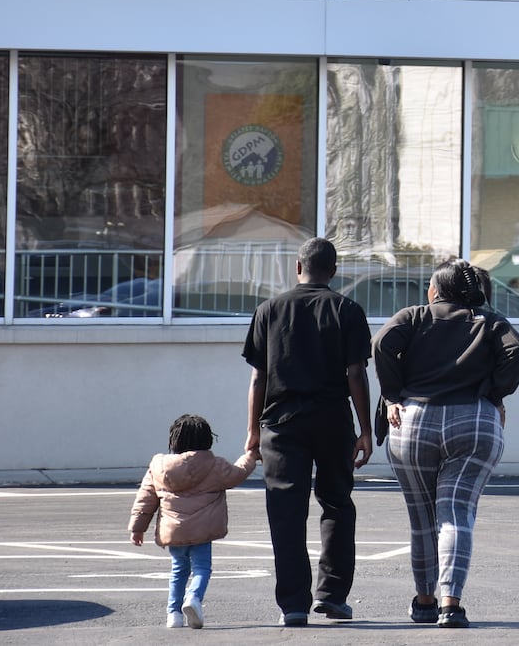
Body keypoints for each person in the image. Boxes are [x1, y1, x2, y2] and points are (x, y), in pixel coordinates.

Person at [242, 236, 373, 626]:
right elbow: (356, 373)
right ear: (333, 272)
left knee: (286, 512)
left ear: (298, 267)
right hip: (333, 420)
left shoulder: (269, 310)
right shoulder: (348, 309)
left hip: (281, 425)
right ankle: (332, 596)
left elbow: (258, 377)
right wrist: (365, 430)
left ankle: (294, 605)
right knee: (336, 504)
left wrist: (252, 430)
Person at [372, 259, 509, 630]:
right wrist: (495, 394)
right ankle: (452, 605)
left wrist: (392, 394)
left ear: (435, 291)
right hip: (473, 421)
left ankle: (425, 601)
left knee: (422, 520)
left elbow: (381, 343)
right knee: (456, 514)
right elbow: (516, 352)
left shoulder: (414, 316)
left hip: (413, 421)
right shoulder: (489, 321)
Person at [127, 414, 257, 629]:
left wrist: (137, 528)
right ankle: (194, 598)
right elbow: (239, 473)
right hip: (202, 531)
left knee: (178, 569)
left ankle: (173, 614)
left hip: (174, 532)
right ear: (207, 439)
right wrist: (250, 456)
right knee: (202, 568)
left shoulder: (159, 466)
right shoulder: (214, 465)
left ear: (174, 440)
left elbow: (145, 498)